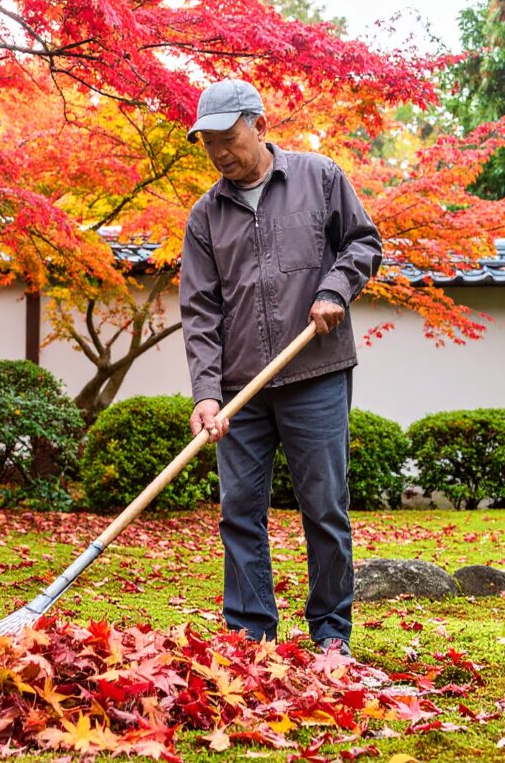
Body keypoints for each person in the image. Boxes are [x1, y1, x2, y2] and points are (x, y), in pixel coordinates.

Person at [179, 78, 383, 655]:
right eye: (208, 143)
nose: (219, 152)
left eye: (228, 137)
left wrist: (335, 290)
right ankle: (250, 636)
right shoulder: (205, 215)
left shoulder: (320, 177)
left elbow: (363, 243)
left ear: (260, 126)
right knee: (239, 512)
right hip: (239, 389)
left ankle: (331, 635)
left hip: (314, 373)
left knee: (324, 507)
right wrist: (206, 393)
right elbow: (200, 310)